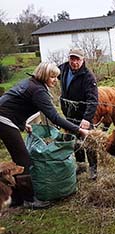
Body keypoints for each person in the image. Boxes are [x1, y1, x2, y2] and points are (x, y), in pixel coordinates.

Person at [0, 62, 90, 209]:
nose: (55, 80)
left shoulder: (31, 83)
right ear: (43, 75)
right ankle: (29, 200)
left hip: (5, 117)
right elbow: (54, 117)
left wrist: (23, 124)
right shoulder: (38, 90)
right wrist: (79, 130)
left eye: (57, 77)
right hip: (3, 120)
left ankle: (16, 199)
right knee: (23, 161)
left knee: (19, 159)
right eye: (52, 77)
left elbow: (15, 104)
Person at [59, 48, 99, 180]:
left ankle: (93, 169)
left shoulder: (88, 76)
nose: (74, 62)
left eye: (78, 59)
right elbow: (52, 73)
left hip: (83, 115)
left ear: (83, 60)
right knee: (76, 142)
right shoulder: (63, 68)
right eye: (72, 58)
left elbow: (93, 100)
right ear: (68, 58)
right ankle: (81, 166)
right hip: (69, 114)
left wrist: (87, 118)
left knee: (88, 142)